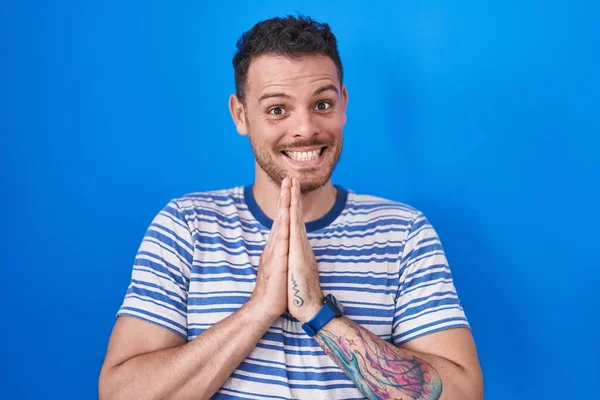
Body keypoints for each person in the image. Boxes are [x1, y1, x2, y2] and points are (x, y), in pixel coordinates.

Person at [98, 15, 483, 400]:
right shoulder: (186, 226)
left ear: (343, 104)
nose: (306, 128)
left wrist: (317, 312)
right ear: (240, 115)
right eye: (278, 110)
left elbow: (464, 393)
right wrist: (260, 308)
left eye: (322, 104)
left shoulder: (403, 233)